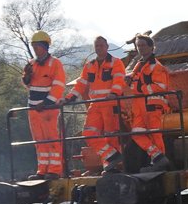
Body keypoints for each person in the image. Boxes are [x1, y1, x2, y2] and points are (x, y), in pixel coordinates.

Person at [65, 36, 127, 173]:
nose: (99, 48)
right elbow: (81, 83)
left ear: (107, 47)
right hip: (95, 105)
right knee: (89, 133)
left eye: (101, 45)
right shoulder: (89, 65)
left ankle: (112, 167)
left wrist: (114, 93)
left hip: (110, 104)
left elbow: (119, 80)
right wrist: (69, 97)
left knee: (111, 137)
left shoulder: (116, 63)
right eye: (96, 46)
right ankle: (112, 157)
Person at [22, 30, 66, 179]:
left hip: (48, 109)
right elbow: (29, 85)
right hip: (33, 109)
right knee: (39, 141)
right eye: (33, 46)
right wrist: (26, 78)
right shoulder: (31, 64)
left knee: (51, 139)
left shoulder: (55, 64)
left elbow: (59, 85)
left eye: (38, 45)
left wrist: (47, 103)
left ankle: (54, 170)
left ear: (45, 46)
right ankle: (42, 170)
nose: (35, 48)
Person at [127, 34, 173, 170]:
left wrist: (140, 88)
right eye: (138, 45)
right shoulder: (138, 65)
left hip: (152, 105)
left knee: (155, 134)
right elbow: (135, 83)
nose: (140, 48)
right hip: (139, 106)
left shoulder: (156, 66)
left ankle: (159, 163)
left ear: (151, 47)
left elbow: (161, 86)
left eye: (143, 45)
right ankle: (158, 157)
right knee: (136, 134)